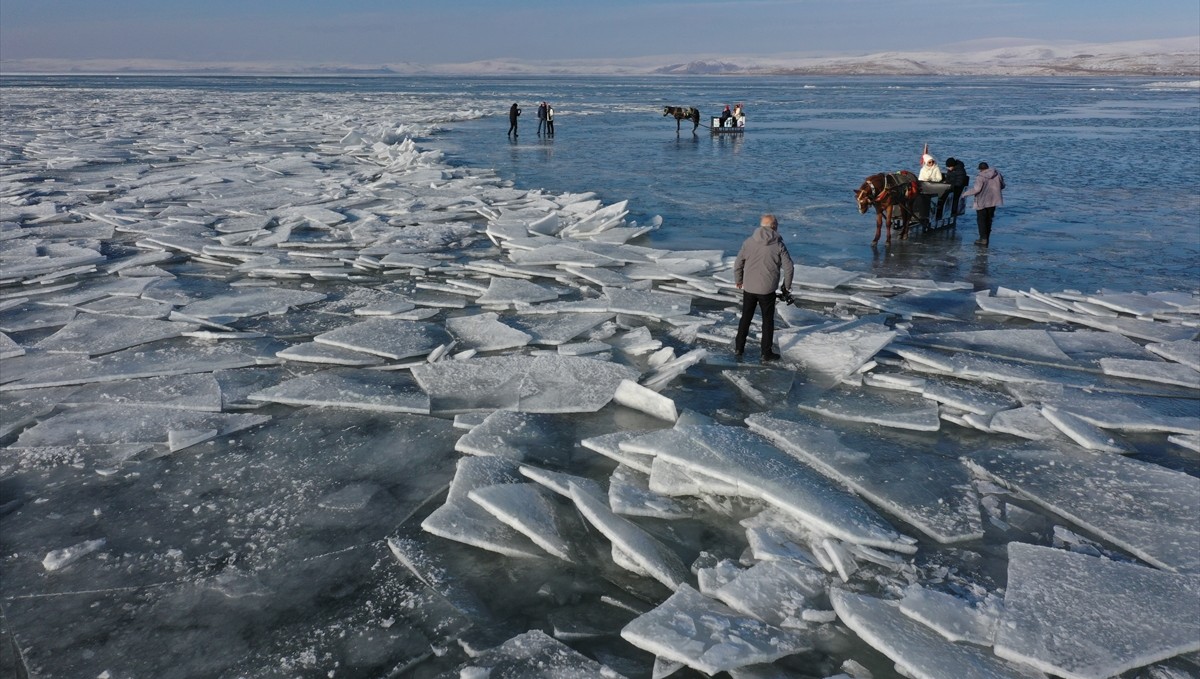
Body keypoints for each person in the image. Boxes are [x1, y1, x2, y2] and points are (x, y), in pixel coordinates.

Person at [734, 214, 794, 361]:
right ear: (773, 227)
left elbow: (738, 263)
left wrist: (739, 280)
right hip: (767, 290)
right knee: (767, 321)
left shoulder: (749, 242)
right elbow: (789, 268)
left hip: (749, 287)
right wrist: (787, 287)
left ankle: (739, 348)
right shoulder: (779, 244)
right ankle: (766, 353)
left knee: (745, 318)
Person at [962, 161, 1005, 246]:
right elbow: (1003, 186)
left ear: (980, 169)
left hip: (982, 201)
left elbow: (976, 190)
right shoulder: (997, 174)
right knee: (989, 219)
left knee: (981, 220)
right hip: (993, 200)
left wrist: (964, 194)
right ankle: (987, 237)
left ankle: (983, 238)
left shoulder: (980, 177)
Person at [917, 153, 944, 225]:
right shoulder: (923, 170)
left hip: (933, 186)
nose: (931, 163)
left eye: (932, 161)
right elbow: (920, 179)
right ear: (926, 162)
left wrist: (932, 179)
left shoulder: (936, 168)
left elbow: (939, 178)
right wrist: (925, 180)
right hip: (924, 186)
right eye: (929, 162)